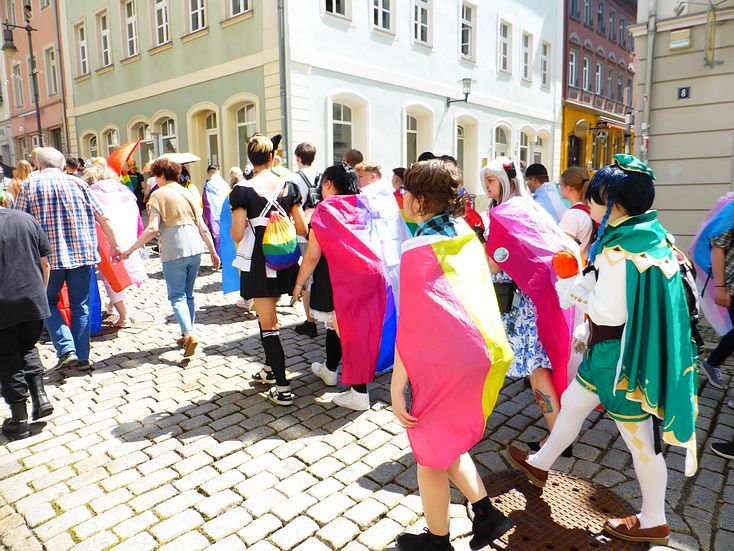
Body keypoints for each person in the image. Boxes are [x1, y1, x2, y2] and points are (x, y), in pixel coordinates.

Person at [507, 155, 698, 547]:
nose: (589, 204)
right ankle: (541, 463)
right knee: (573, 403)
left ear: (615, 204)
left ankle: (654, 519)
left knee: (640, 441)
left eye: (595, 198)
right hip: (611, 350)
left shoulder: (619, 250)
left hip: (620, 361)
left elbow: (608, 311)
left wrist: (569, 283)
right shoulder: (648, 235)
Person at [392, 159, 514, 551]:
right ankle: (486, 514)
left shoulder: (417, 249)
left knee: (428, 453)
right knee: (444, 439)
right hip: (481, 351)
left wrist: (396, 388)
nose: (402, 197)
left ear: (420, 201)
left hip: (443, 363)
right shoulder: (465, 233)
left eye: (406, 191)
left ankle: (437, 541)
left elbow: (411, 327)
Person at [483, 157, 578, 457]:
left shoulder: (503, 213)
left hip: (525, 302)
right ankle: (559, 433)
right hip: (543, 295)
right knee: (539, 367)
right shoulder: (529, 207)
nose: (486, 186)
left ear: (505, 181)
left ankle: (558, 437)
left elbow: (495, 265)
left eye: (491, 180)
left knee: (536, 369)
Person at [15, 147, 121, 371]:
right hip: (82, 255)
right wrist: (115, 244)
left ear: (38, 165)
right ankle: (82, 357)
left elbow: (20, 223)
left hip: (48, 259)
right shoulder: (79, 183)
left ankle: (66, 349)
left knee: (46, 304)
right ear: (63, 165)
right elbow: (104, 217)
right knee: (80, 306)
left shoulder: (30, 185)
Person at [230, 134, 307, 406]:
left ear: (250, 159)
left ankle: (283, 387)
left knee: (269, 324)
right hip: (285, 261)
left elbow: (237, 233)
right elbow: (302, 228)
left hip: (259, 265)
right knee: (268, 319)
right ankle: (269, 369)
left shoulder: (242, 190)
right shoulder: (289, 186)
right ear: (272, 157)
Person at [123, 157, 220, 357]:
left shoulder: (158, 195)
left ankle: (189, 334)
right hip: (195, 247)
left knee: (177, 296)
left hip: (174, 247)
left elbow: (152, 228)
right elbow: (203, 227)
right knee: (188, 294)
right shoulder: (188, 192)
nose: (154, 180)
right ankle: (186, 333)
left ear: (161, 175)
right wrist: (212, 252)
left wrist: (131, 249)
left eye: (154, 175)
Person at [292, 164, 361, 400]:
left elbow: (312, 256)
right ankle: (330, 369)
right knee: (337, 326)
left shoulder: (325, 210)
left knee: (348, 335)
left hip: (337, 280)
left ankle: (359, 392)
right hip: (364, 277)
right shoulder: (361, 205)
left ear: (328, 184)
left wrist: (298, 285)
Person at [0, 206, 53, 440]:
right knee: (28, 347)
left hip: (4, 303)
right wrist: (41, 294)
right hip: (33, 298)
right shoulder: (26, 219)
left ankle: (19, 420)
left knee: (8, 359)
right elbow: (45, 263)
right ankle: (41, 398)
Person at [83, 163, 147, 328]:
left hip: (106, 239)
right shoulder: (124, 190)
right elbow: (138, 217)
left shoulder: (92, 193)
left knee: (110, 277)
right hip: (128, 235)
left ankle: (123, 317)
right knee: (119, 274)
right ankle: (112, 306)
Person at [288, 143, 322, 338]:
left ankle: (310, 321)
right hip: (320, 229)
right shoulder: (321, 175)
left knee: (307, 275)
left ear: (298, 157)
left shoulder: (293, 178)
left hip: (301, 231)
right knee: (319, 272)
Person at [558, 167, 595, 259]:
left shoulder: (573, 215)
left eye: (560, 185)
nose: (559, 188)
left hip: (573, 266)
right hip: (585, 263)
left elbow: (563, 248)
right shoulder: (589, 209)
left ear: (568, 188)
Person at [202, 164, 230, 255]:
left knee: (217, 239)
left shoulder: (209, 185)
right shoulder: (225, 184)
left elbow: (208, 205)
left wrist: (206, 220)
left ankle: (219, 257)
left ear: (208, 173)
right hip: (227, 215)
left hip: (215, 216)